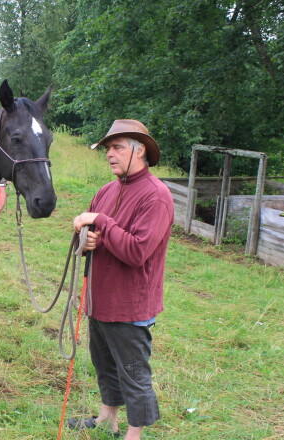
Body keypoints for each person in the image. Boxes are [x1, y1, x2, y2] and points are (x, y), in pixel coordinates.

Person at [68, 119, 174, 439]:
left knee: (133, 372)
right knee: (105, 364)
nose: (109, 154)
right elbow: (87, 237)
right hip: (99, 298)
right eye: (107, 149)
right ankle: (107, 419)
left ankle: (134, 433)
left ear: (139, 151)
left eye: (117, 147)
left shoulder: (156, 196)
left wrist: (99, 221)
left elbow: (137, 251)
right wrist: (81, 240)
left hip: (131, 304)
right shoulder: (105, 191)